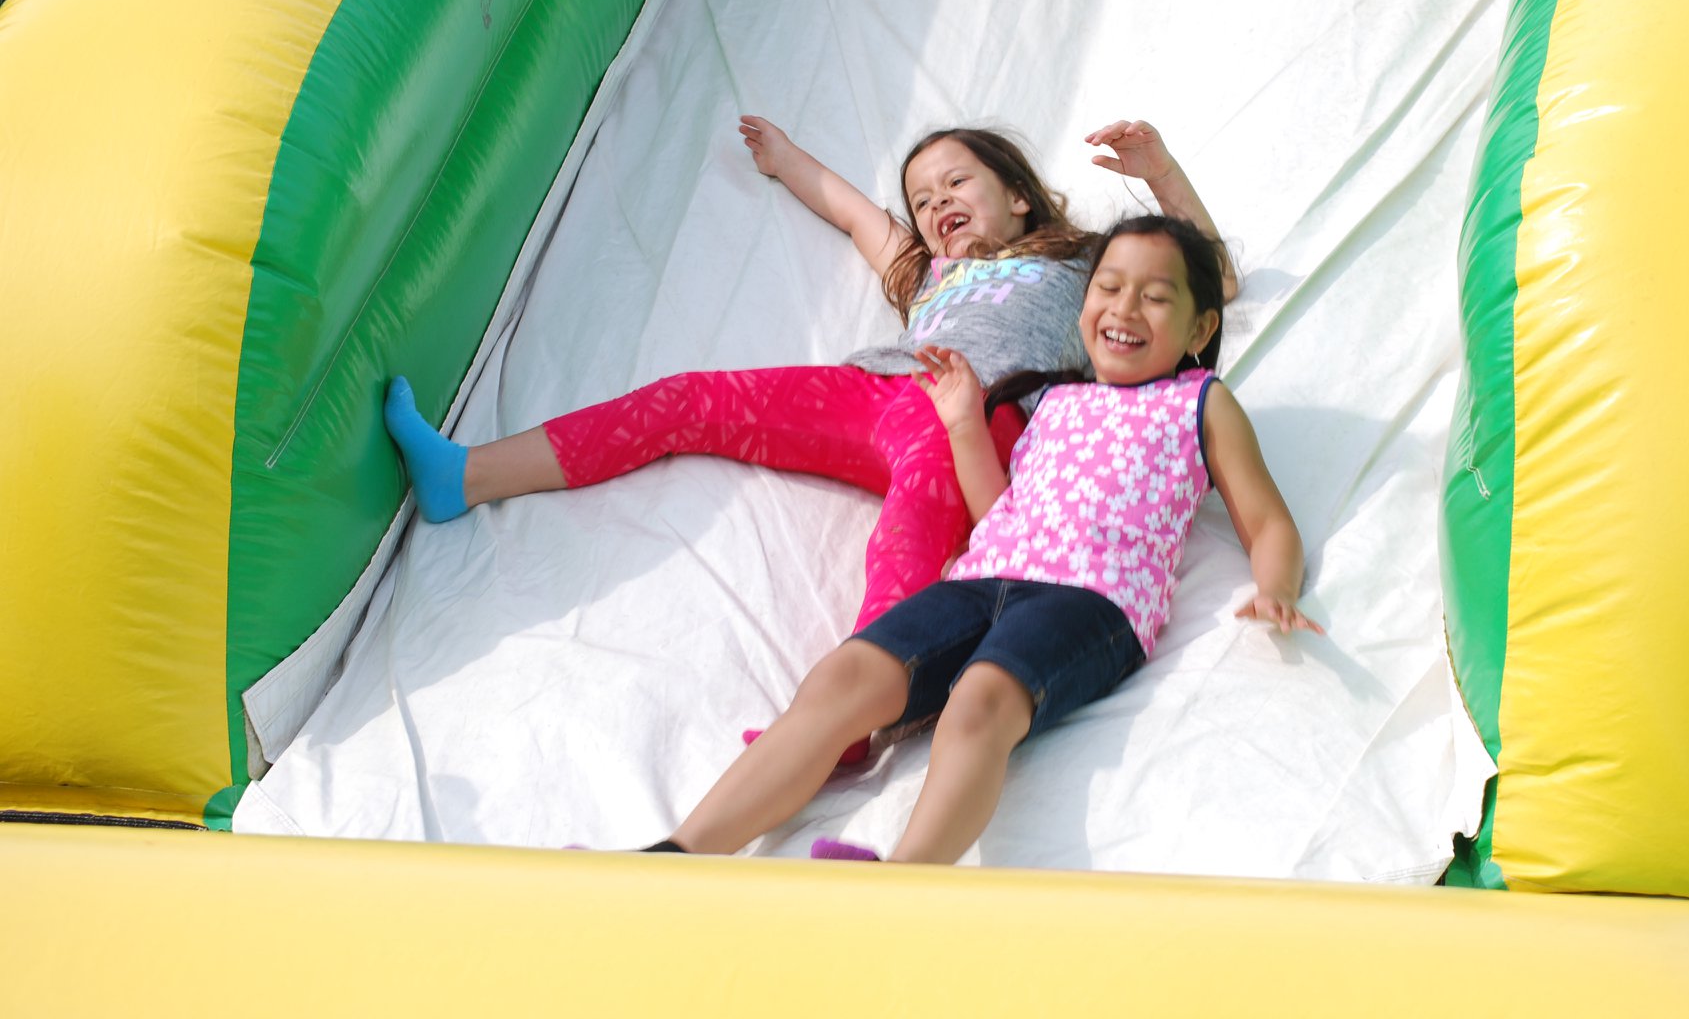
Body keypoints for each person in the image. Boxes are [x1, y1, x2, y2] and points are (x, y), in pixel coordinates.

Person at [382, 117, 1232, 757]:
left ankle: (841, 727)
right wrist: (785, 162)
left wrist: (1159, 173)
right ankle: (469, 476)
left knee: (905, 548)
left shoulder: (1087, 263)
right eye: (925, 200)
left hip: (970, 416)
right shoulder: (928, 274)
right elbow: (858, 217)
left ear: (1017, 194)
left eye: (956, 185)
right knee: (686, 400)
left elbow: (1213, 277)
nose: (937, 207)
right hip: (868, 390)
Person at [645, 214, 1316, 863]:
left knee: (980, 699)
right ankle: (680, 855)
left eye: (1156, 296)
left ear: (1200, 325)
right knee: (841, 677)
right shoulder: (1054, 400)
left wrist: (1276, 588)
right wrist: (965, 421)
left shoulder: (1201, 401)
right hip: (981, 580)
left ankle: (906, 878)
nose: (1125, 308)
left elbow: (1267, 521)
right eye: (1109, 288)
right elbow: (998, 514)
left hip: (1091, 601)